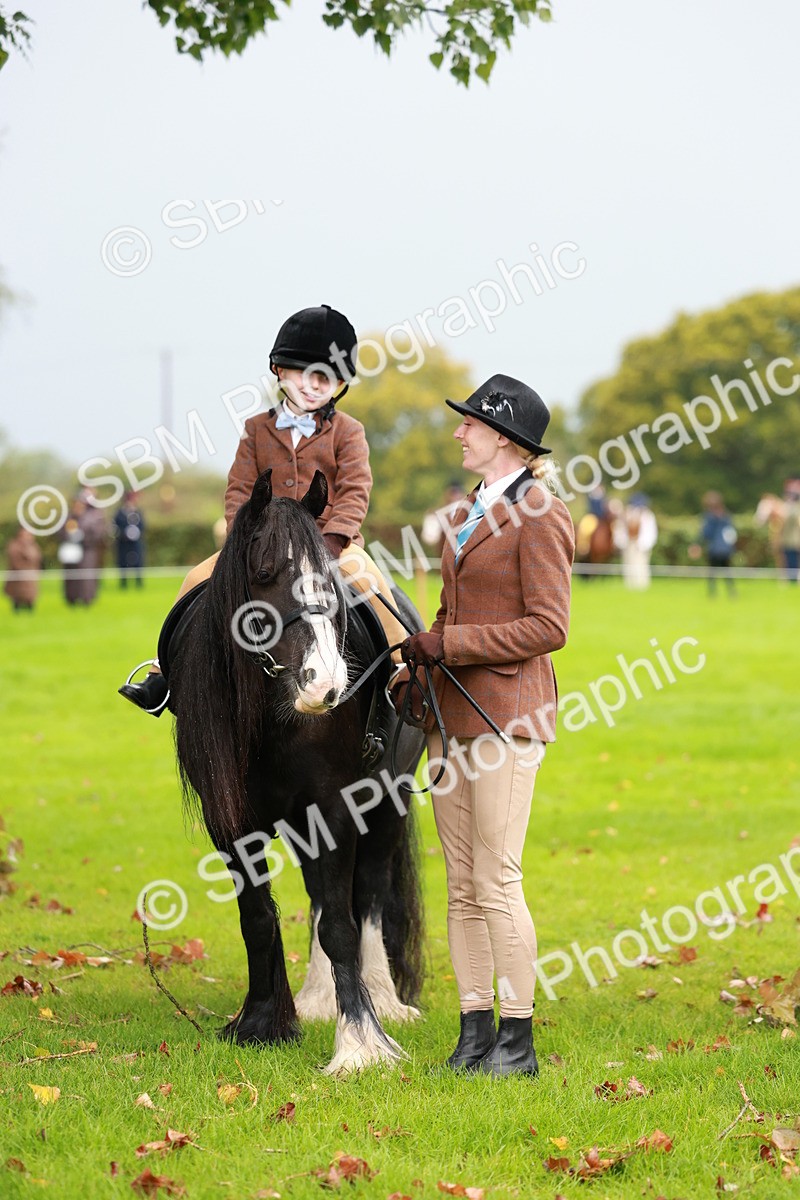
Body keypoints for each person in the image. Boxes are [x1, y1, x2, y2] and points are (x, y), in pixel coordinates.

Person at [392, 374, 574, 1078]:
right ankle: (474, 1033)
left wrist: (455, 646)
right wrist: (422, 659)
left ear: (503, 437)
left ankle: (518, 1041)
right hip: (452, 716)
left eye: (470, 424)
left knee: (497, 879)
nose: (460, 432)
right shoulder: (471, 508)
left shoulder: (539, 512)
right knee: (462, 882)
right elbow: (451, 608)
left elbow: (548, 626)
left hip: (508, 718)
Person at [119, 304, 407, 715]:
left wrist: (333, 539)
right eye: (303, 375)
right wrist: (246, 539)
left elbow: (356, 490)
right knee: (196, 576)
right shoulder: (256, 429)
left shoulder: (349, 431)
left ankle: (399, 670)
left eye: (323, 378)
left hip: (329, 544)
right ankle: (164, 674)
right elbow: (238, 488)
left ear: (339, 383)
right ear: (280, 372)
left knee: (373, 582)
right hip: (262, 545)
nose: (312, 386)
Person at [58, 491, 107, 605]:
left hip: (87, 552)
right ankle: (71, 599)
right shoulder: (68, 518)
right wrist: (69, 536)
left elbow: (98, 534)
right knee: (72, 577)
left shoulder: (92, 518)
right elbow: (60, 532)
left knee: (86, 578)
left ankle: (87, 598)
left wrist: (83, 537)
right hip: (71, 552)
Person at [694, 491, 737, 597]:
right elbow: (731, 533)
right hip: (726, 549)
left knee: (712, 572)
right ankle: (731, 592)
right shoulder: (726, 516)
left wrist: (697, 544)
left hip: (714, 549)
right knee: (727, 571)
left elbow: (705, 533)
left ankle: (712, 593)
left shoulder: (709, 517)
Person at [616, 492, 657, 589]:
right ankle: (629, 584)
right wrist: (622, 542)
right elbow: (620, 529)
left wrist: (644, 544)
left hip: (642, 545)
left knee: (642, 563)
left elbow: (651, 532)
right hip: (629, 544)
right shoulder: (626, 515)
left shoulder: (648, 516)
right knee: (628, 563)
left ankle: (642, 585)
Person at [4, 525, 42, 612]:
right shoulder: (14, 545)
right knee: (18, 596)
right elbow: (14, 560)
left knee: (30, 596)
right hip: (19, 576)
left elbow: (37, 559)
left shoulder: (34, 546)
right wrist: (23, 570)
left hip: (31, 576)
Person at [114, 491, 146, 587]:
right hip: (123, 542)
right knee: (123, 561)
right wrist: (124, 534)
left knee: (138, 561)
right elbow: (116, 526)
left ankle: (138, 582)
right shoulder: (120, 512)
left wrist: (136, 533)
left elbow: (143, 525)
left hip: (135, 542)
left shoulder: (138, 512)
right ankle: (123, 582)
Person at [779, 479, 800, 583]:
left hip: (794, 540)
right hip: (787, 540)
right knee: (789, 561)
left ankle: (793, 580)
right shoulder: (788, 507)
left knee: (793, 562)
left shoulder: (795, 508)